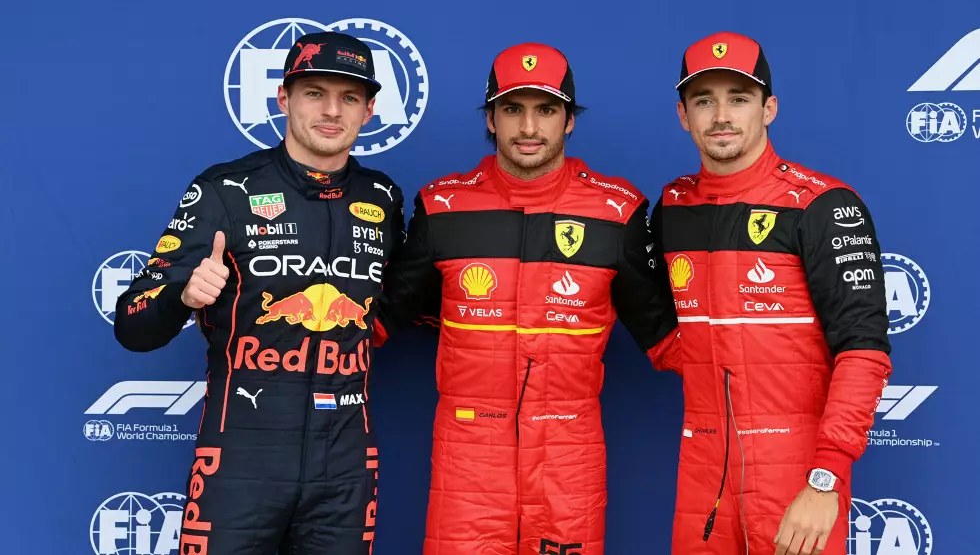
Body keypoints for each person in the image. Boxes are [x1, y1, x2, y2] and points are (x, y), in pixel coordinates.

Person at [374, 42, 682, 555]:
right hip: (468, 457)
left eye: (546, 110)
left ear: (569, 120)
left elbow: (668, 338)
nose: (529, 128)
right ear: (491, 119)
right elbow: (381, 317)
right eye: (513, 109)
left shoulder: (617, 212)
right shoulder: (443, 206)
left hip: (569, 457)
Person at [114, 31, 404, 555]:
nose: (332, 110)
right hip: (240, 459)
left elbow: (398, 305)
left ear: (369, 110)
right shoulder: (224, 190)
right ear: (283, 99)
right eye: (315, 93)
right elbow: (132, 326)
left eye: (350, 97)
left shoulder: (382, 197)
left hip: (346, 462)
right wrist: (183, 297)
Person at [656, 31, 892, 555]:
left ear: (769, 109)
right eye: (704, 101)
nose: (721, 116)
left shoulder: (823, 205)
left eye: (739, 99)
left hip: (798, 475)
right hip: (703, 470)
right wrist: (682, 354)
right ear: (683, 115)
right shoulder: (672, 208)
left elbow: (864, 351)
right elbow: (644, 301)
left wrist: (826, 478)